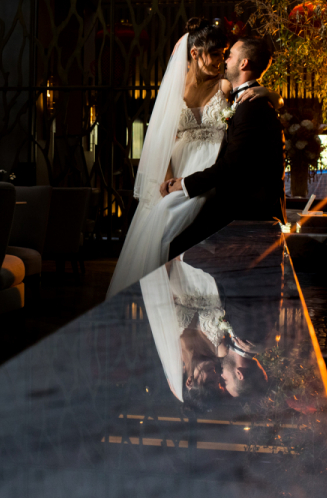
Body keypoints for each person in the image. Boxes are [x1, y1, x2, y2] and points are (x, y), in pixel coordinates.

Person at [105, 20, 274, 299]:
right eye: (215, 53)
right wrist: (168, 177)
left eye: (224, 54)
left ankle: (195, 294)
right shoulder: (174, 89)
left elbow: (250, 97)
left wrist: (270, 92)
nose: (221, 60)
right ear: (194, 53)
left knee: (185, 220)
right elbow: (165, 139)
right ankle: (163, 294)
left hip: (209, 167)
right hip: (180, 166)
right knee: (164, 215)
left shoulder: (223, 85)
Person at [164, 37, 285, 259]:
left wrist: (185, 183)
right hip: (224, 191)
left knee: (178, 245)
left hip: (243, 205)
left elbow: (233, 165)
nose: (224, 60)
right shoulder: (243, 101)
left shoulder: (251, 105)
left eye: (229, 55)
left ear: (243, 64)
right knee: (173, 235)